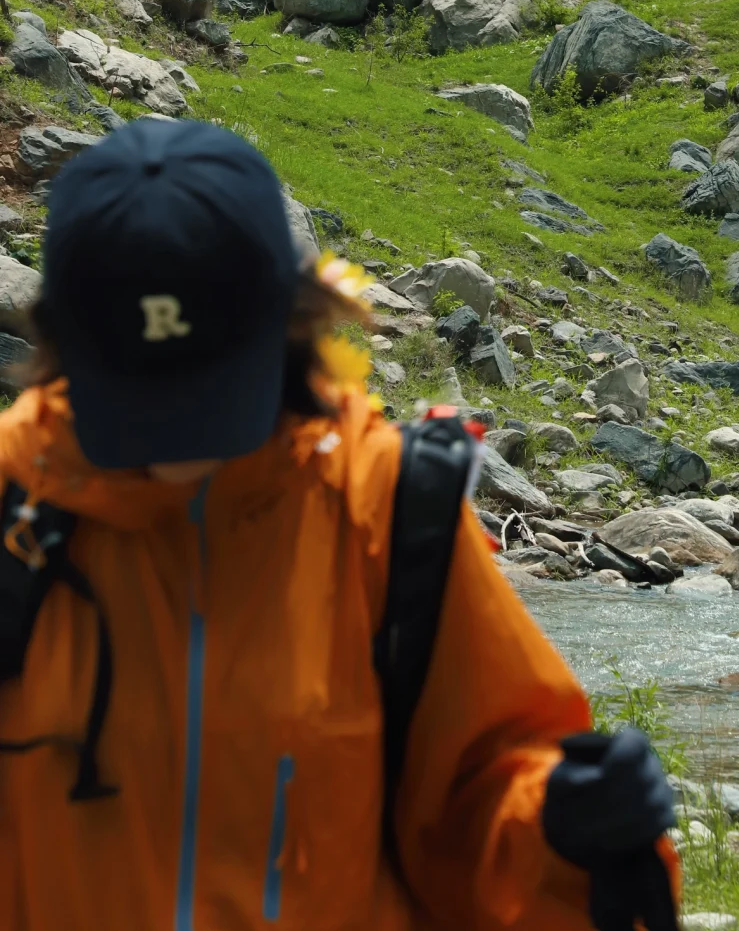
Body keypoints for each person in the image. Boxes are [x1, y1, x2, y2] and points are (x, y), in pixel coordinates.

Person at [0, 118, 678, 930]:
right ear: (60, 345)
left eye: (207, 395)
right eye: (140, 399)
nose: (174, 446)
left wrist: (568, 826)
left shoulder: (388, 509)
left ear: (291, 326)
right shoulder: (16, 503)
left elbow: (484, 788)